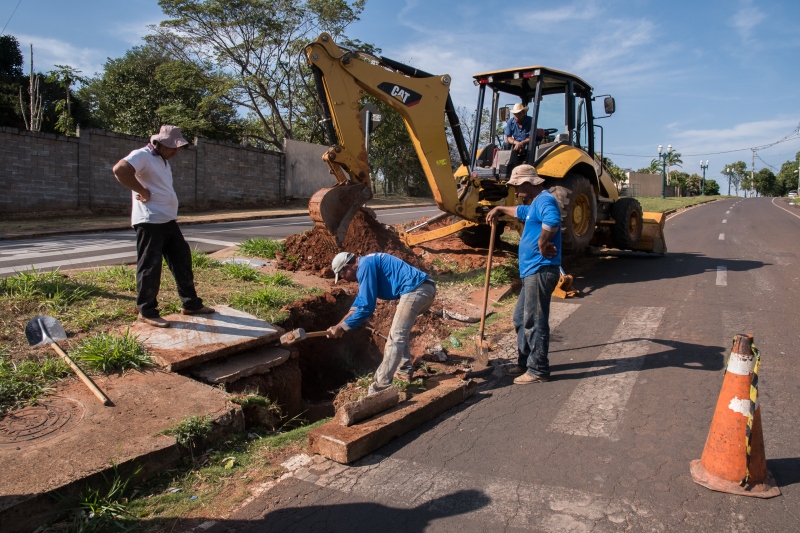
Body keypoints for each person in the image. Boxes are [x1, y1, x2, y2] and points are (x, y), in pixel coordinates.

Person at [112, 125, 214, 328]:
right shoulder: (142, 155)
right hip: (150, 222)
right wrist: (141, 190)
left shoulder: (162, 160)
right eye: (172, 147)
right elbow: (120, 170)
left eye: (177, 147)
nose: (175, 151)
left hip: (167, 220)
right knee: (150, 266)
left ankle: (191, 304)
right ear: (158, 142)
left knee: (181, 259)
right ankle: (147, 311)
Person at [486, 164, 561, 383]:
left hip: (541, 270)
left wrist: (542, 241)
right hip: (531, 271)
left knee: (535, 320)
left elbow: (553, 221)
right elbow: (520, 212)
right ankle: (525, 362)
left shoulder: (545, 200)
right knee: (520, 317)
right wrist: (499, 209)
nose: (516, 192)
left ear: (528, 184)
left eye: (517, 187)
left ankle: (538, 370)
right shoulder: (535, 204)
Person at [327, 252, 436, 394]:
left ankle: (379, 388)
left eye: (342, 276)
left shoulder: (365, 266)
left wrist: (343, 328)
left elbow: (367, 307)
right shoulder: (366, 264)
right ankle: (404, 370)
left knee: (396, 336)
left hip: (417, 290)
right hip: (422, 288)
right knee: (398, 331)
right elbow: (359, 303)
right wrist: (338, 326)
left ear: (348, 267)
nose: (345, 280)